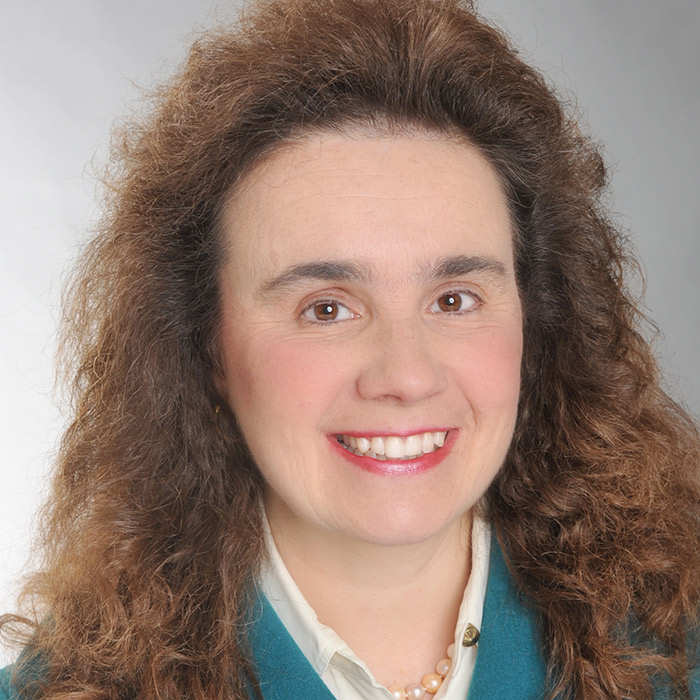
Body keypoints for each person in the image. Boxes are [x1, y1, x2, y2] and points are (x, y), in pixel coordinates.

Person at [1, 0, 699, 698]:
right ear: (206, 347)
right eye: (326, 309)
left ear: (538, 318)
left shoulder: (680, 661)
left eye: (454, 300)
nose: (406, 375)